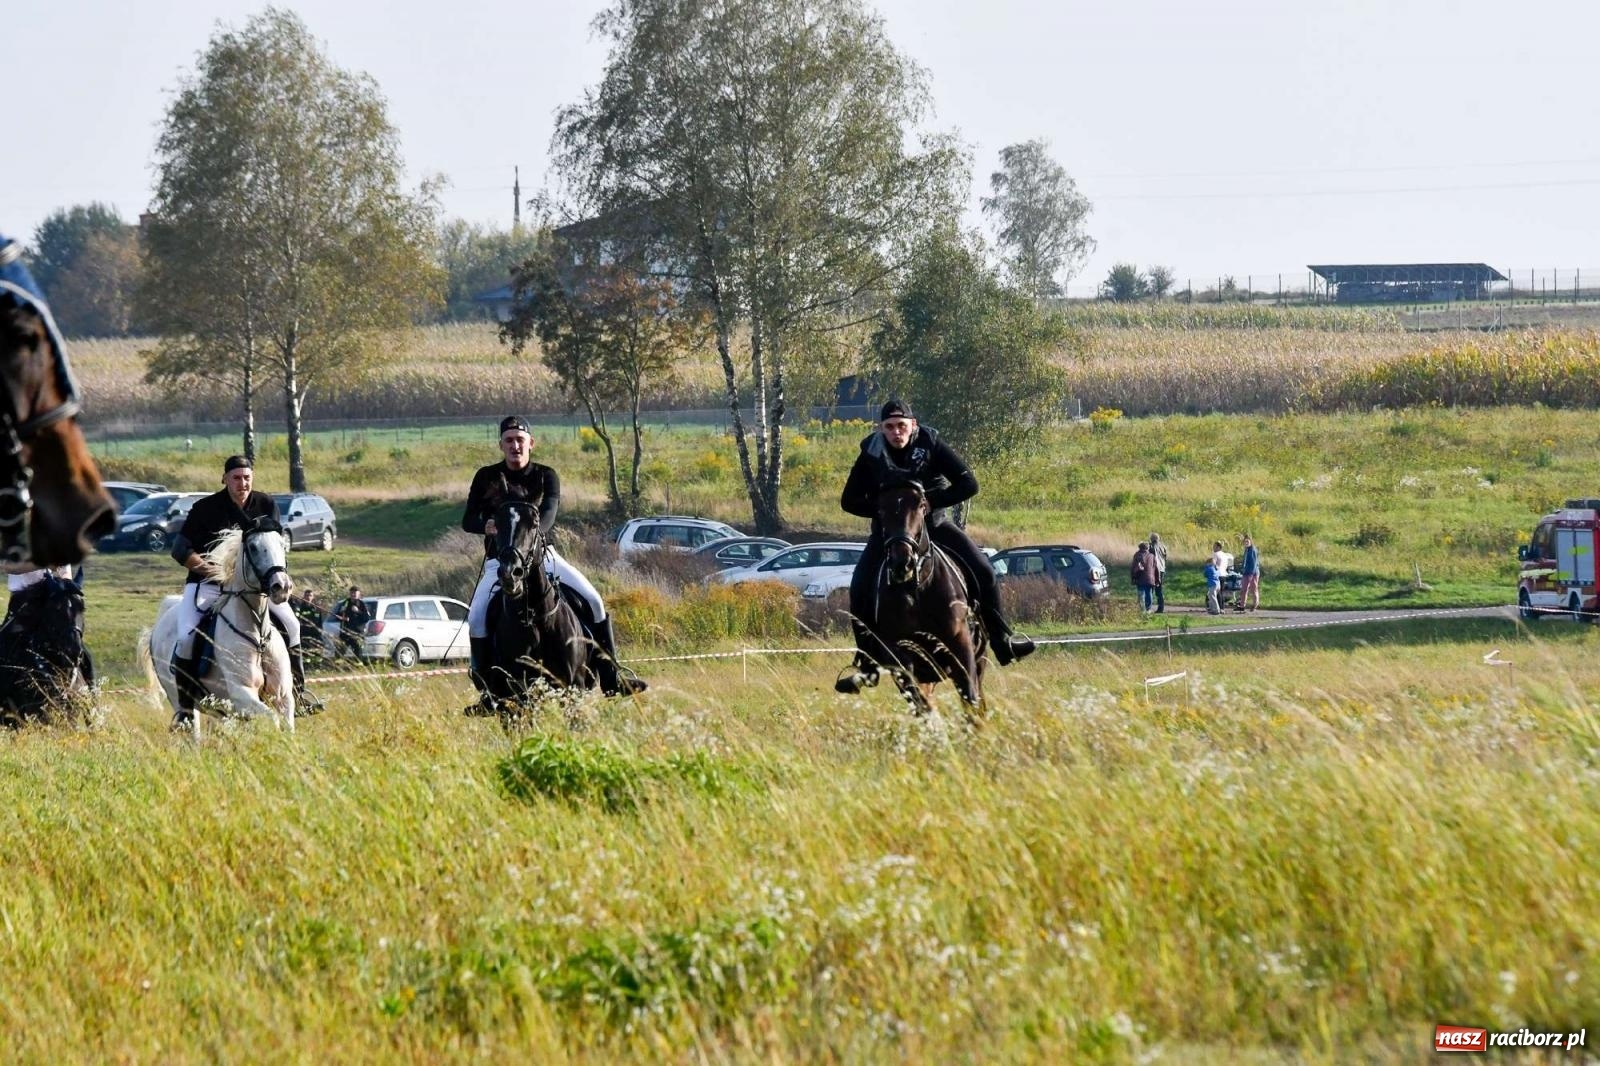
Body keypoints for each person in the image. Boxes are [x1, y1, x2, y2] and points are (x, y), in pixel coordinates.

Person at [835, 400, 1034, 694]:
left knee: (984, 571)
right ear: (881, 429)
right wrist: (887, 512)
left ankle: (1003, 639)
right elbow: (848, 501)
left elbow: (969, 484)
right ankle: (866, 665)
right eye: (889, 427)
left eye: (901, 425)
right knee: (859, 586)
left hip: (935, 526)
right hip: (890, 535)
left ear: (912, 426)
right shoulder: (871, 452)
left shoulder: (931, 444)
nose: (896, 432)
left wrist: (926, 506)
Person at [461, 415, 645, 708]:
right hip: (500, 562)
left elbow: (547, 515)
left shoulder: (546, 475)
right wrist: (486, 525)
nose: (514, 446)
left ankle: (612, 677)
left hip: (543, 558)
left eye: (519, 440)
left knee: (594, 601)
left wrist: (531, 531)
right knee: (476, 618)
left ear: (531, 443)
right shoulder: (486, 476)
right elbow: (468, 519)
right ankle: (489, 693)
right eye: (508, 440)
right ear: (501, 445)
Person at [169, 455, 323, 721]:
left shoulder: (266, 504)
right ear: (225, 479)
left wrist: (282, 575)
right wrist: (211, 570)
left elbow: (275, 548)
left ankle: (298, 693)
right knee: (185, 637)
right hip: (208, 585)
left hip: (256, 587)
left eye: (247, 478)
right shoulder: (205, 508)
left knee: (293, 625)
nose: (243, 483)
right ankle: (185, 710)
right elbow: (180, 550)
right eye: (237, 478)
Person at [333, 586, 371, 660]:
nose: (353, 594)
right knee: (340, 651)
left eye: (355, 593)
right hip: (345, 631)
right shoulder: (345, 603)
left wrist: (358, 611)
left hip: (357, 632)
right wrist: (341, 618)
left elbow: (367, 618)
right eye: (352, 593)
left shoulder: (362, 604)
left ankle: (359, 666)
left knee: (358, 652)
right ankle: (337, 666)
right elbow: (338, 614)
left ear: (359, 594)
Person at [1130, 541, 1157, 614]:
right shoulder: (1152, 555)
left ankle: (1142, 609)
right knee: (1149, 593)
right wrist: (1157, 579)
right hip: (1150, 578)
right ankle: (1148, 609)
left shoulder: (1137, 555)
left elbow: (1133, 567)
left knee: (1141, 593)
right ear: (1147, 547)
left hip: (1140, 577)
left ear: (1140, 547)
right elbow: (1155, 567)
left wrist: (1133, 577)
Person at [1240, 534, 1261, 611]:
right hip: (1246, 572)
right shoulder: (1247, 549)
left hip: (1252, 573)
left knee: (1253, 589)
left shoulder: (1252, 550)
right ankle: (1242, 606)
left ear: (1251, 541)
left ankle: (1255, 604)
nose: (1246, 543)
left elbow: (1254, 563)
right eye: (1245, 541)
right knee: (1244, 589)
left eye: (1247, 541)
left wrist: (1251, 574)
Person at [1148, 532, 1168, 613]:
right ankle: (1161, 607)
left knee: (1151, 588)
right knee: (1159, 589)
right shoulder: (1163, 546)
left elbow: (1149, 558)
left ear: (1151, 539)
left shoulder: (1151, 547)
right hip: (1162, 569)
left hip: (1154, 569)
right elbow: (1166, 558)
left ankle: (1148, 606)